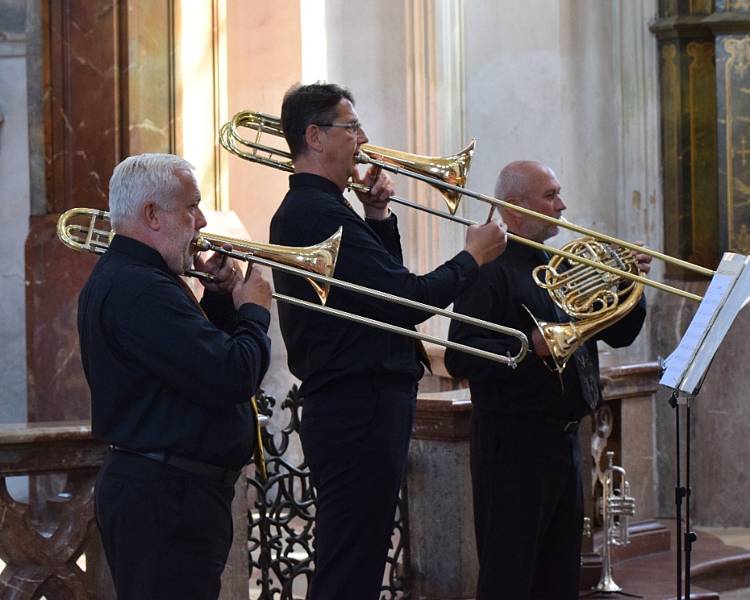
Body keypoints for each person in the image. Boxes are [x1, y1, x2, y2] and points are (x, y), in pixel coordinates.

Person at [269, 82, 507, 599]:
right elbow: (406, 299)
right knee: (350, 563)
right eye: (351, 126)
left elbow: (378, 296)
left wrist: (377, 218)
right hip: (357, 404)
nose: (364, 138)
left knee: (357, 556)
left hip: (362, 401)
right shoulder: (316, 213)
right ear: (314, 136)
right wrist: (472, 259)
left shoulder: (330, 210)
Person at [444, 160, 651, 599]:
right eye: (550, 196)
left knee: (558, 576)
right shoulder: (488, 269)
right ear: (515, 206)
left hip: (564, 441)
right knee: (509, 574)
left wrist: (628, 285)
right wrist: (525, 346)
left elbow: (619, 332)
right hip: (512, 445)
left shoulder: (561, 265)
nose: (562, 206)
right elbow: (461, 353)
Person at [78, 153, 273, 600]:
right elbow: (232, 376)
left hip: (168, 496)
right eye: (192, 206)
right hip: (165, 503)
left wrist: (223, 302)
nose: (202, 221)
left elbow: (198, 370)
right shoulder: (141, 288)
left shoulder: (140, 279)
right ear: (152, 215)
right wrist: (255, 313)